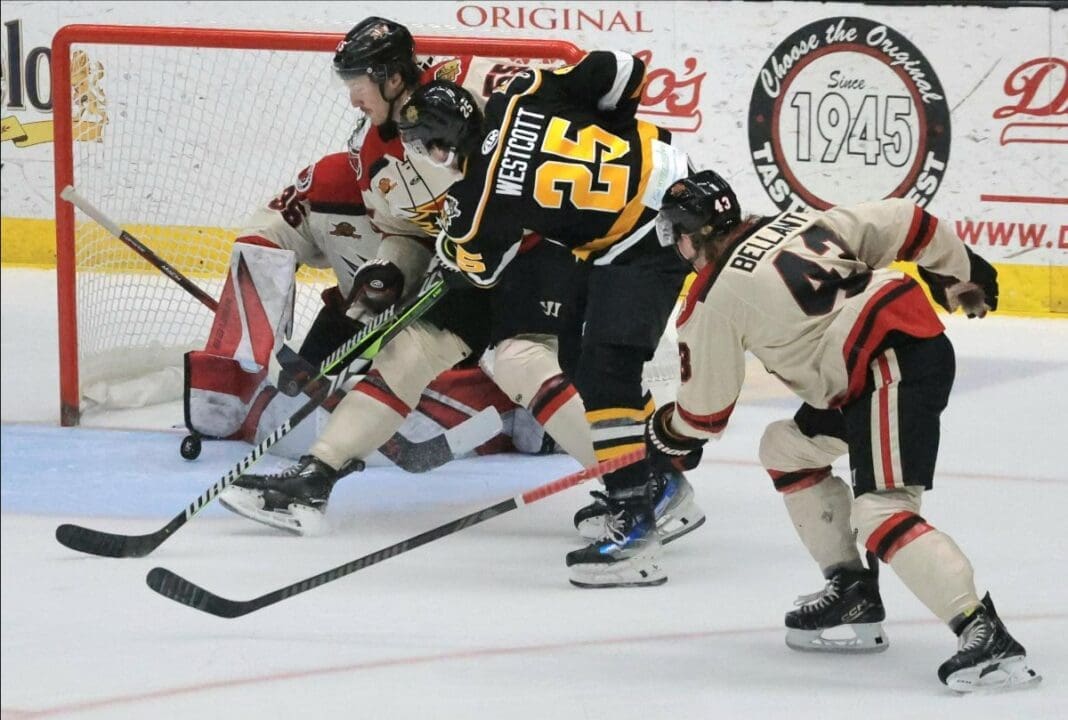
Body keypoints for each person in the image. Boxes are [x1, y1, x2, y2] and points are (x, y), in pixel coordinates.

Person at [643, 169, 1041, 691]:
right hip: (887, 359)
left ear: (690, 236)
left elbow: (705, 413)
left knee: (882, 510)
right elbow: (907, 220)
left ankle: (985, 635)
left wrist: (665, 434)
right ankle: (852, 590)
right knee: (787, 448)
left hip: (887, 368)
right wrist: (961, 269)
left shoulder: (713, 297)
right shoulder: (796, 222)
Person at [216, 17, 603, 535]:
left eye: (358, 82)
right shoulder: (373, 153)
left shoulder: (470, 89)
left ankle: (636, 482)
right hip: (466, 264)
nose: (352, 97)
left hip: (539, 252)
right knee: (405, 355)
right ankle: (314, 479)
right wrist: (389, 272)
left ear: (392, 77)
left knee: (521, 362)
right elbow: (410, 233)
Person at [394, 50, 707, 589]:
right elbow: (623, 70)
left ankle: (639, 523)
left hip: (649, 243)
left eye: (426, 149)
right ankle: (653, 488)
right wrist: (607, 131)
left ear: (443, 145)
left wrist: (449, 237)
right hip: (679, 184)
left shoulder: (476, 202)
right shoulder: (523, 92)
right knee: (580, 358)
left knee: (606, 374)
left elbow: (482, 269)